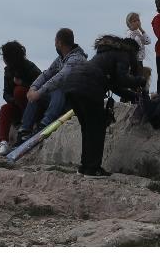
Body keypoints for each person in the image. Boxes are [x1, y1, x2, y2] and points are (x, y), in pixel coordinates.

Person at [56, 35, 146, 178]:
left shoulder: (104, 55)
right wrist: (140, 81)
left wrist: (135, 97)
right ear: (132, 51)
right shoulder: (123, 54)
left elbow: (115, 85)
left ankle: (84, 167)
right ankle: (93, 169)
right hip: (88, 87)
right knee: (97, 128)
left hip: (72, 85)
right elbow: (123, 79)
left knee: (87, 128)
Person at [19, 28, 86, 144]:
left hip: (74, 102)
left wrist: (39, 93)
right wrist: (33, 88)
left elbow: (60, 78)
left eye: (55, 41)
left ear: (59, 43)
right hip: (62, 101)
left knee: (57, 88)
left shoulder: (76, 59)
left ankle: (45, 124)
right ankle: (24, 130)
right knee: (37, 93)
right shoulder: (62, 58)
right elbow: (47, 73)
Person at [0, 41, 41, 156]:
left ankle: (31, 122)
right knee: (5, 109)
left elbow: (42, 86)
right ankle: (4, 142)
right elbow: (5, 94)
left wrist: (23, 83)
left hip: (34, 107)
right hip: (18, 107)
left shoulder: (30, 67)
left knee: (19, 91)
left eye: (5, 56)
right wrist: (13, 101)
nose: (3, 59)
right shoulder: (8, 71)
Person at [125, 12, 152, 93]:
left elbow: (148, 41)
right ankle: (135, 97)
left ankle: (138, 96)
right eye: (134, 21)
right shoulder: (130, 34)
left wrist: (141, 30)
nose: (137, 22)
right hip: (134, 61)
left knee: (139, 78)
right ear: (129, 23)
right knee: (136, 79)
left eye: (138, 20)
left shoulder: (138, 33)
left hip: (139, 60)